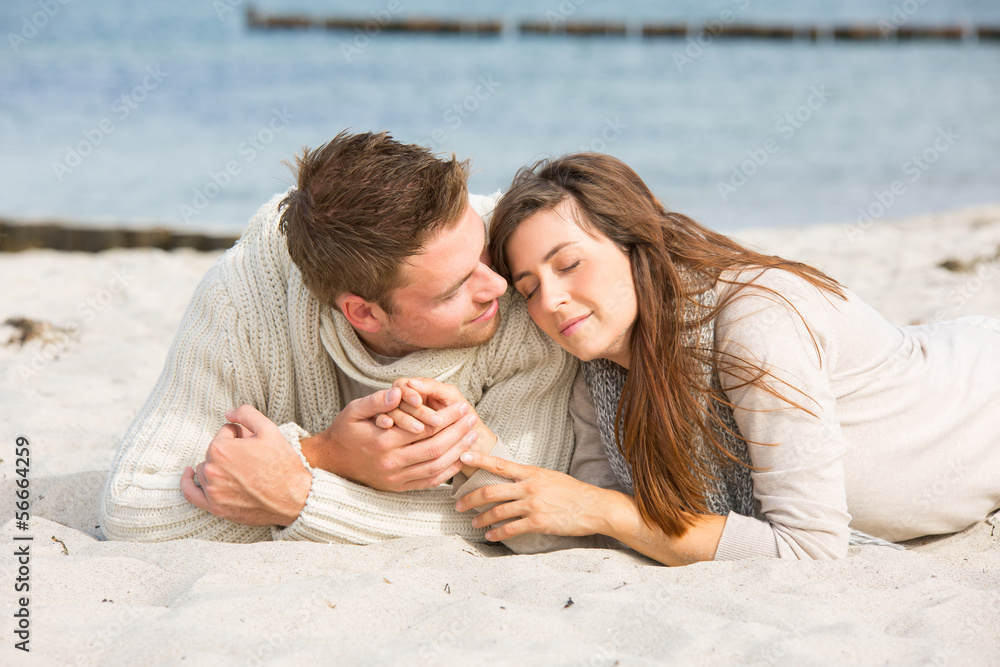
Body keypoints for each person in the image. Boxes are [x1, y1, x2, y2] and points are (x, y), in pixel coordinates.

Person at [456, 152, 1000, 564]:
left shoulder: (755, 322)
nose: (549, 300)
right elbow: (593, 532)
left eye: (569, 263)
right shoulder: (598, 373)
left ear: (636, 245)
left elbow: (809, 552)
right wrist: (469, 447)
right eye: (528, 287)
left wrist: (606, 510)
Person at [99, 132, 619, 550]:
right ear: (362, 312)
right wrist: (326, 455)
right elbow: (131, 506)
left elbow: (532, 519)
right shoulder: (251, 287)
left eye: (480, 253)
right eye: (456, 288)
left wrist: (297, 494)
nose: (500, 285)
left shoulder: (530, 274)